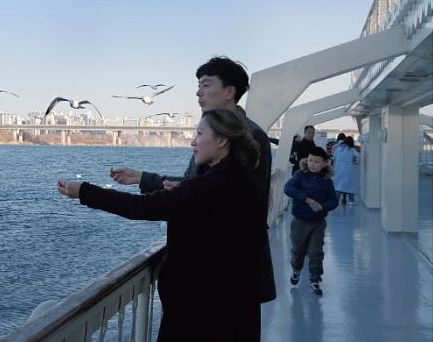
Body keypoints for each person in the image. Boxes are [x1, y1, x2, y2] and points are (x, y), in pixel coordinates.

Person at [58, 109, 266, 341]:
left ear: (222, 140)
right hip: (236, 306)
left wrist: (84, 192)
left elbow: (142, 207)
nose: (192, 141)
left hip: (200, 315)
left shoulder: (207, 188)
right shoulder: (244, 183)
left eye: (199, 133)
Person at [109, 56, 276, 303]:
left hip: (228, 273)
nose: (198, 93)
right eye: (198, 86)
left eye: (206, 85)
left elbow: (235, 203)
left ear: (230, 91)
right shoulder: (213, 131)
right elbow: (199, 185)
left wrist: (85, 193)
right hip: (209, 269)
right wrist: (143, 178)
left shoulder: (250, 137)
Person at [283, 147, 339, 295]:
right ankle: (296, 270)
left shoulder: (327, 182)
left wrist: (323, 206)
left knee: (315, 252)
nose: (312, 164)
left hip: (318, 222)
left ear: (324, 164)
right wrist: (305, 198)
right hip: (299, 221)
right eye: (310, 160)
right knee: (298, 250)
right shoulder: (300, 175)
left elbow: (334, 201)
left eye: (316, 162)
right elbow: (288, 188)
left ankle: (315, 279)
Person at [332, 136, 360, 205]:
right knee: (350, 185)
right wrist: (356, 162)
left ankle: (336, 200)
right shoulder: (351, 149)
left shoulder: (338, 148)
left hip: (338, 168)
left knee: (338, 185)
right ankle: (351, 201)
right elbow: (359, 156)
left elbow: (333, 157)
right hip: (348, 169)